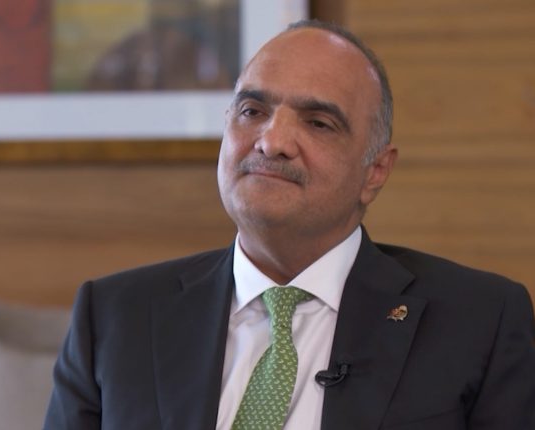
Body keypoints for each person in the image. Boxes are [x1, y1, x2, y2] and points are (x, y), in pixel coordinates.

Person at [44, 19, 535, 430]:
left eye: (318, 122)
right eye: (252, 111)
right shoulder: (113, 317)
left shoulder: (480, 322)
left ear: (375, 171)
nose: (272, 141)